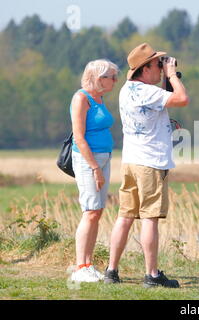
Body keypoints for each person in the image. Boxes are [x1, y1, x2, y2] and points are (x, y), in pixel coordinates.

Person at [104, 43, 189, 288]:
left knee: (125, 216)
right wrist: (173, 75)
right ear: (145, 68)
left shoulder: (127, 90)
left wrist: (166, 80)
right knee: (150, 218)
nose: (162, 68)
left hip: (131, 161)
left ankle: (111, 270)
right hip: (151, 163)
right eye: (157, 64)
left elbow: (161, 103)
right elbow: (182, 99)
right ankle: (151, 275)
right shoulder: (149, 93)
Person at [70, 59, 119, 282]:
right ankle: (81, 266)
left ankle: (88, 264)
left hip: (104, 157)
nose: (115, 81)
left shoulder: (99, 98)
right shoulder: (82, 98)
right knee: (90, 210)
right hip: (88, 160)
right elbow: (79, 137)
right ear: (98, 78)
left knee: (97, 211)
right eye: (111, 77)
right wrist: (95, 168)